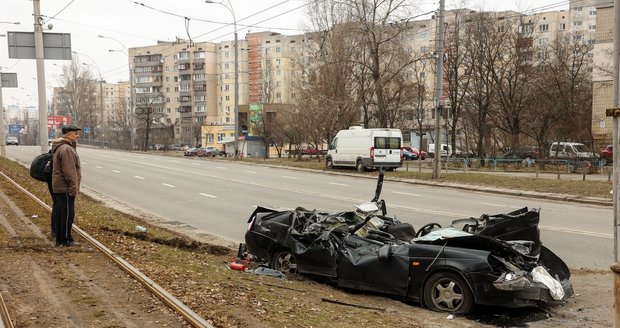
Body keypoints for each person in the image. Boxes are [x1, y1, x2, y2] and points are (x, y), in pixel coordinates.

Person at [51, 124, 82, 246]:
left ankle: (61, 238)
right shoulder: (66, 149)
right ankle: (65, 239)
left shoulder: (62, 147)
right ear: (69, 135)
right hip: (65, 188)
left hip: (60, 187)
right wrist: (73, 188)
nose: (77, 136)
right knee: (67, 214)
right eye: (75, 134)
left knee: (61, 213)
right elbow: (69, 171)